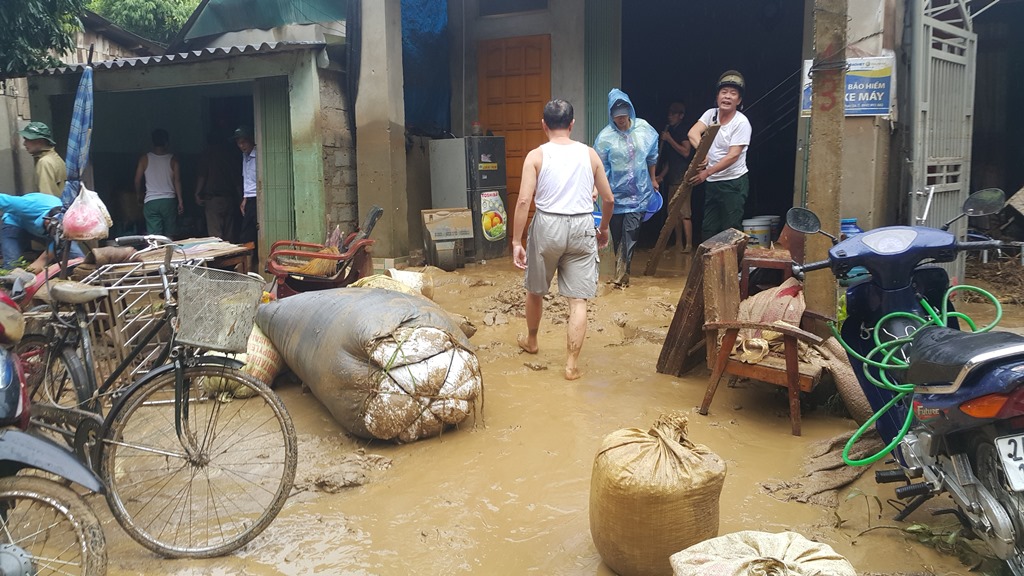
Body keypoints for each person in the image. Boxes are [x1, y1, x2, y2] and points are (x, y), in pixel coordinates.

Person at [511, 99, 614, 381]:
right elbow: (608, 198)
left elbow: (523, 201)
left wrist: (516, 241)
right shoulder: (590, 155)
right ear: (572, 124)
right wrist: (603, 228)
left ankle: (532, 341)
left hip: (547, 225)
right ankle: (571, 365)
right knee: (578, 301)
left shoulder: (536, 156)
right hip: (582, 225)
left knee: (535, 290)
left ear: (543, 125)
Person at [593, 89, 659, 287]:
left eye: (623, 116)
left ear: (630, 111)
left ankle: (622, 279)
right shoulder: (605, 138)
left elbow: (652, 156)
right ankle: (620, 271)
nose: (621, 120)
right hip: (614, 197)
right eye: (617, 117)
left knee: (630, 235)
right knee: (617, 236)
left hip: (639, 195)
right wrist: (596, 190)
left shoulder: (644, 129)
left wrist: (653, 179)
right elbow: (600, 168)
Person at [688, 70, 752, 241]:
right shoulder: (711, 114)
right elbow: (693, 133)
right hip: (713, 183)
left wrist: (707, 172)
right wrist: (703, 153)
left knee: (730, 230)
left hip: (733, 183)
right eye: (724, 92)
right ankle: (710, 267)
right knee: (708, 229)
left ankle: (733, 268)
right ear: (717, 96)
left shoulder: (741, 122)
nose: (727, 97)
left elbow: (733, 156)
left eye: (733, 93)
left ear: (739, 100)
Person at [0, 192, 83, 272]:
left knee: (79, 261)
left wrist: (30, 273)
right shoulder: (28, 206)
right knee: (12, 264)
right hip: (16, 224)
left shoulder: (64, 229)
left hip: (44, 231)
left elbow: (43, 260)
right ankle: (8, 282)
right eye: (55, 231)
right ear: (47, 221)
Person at [655, 101, 694, 253]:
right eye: (669, 114)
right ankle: (678, 243)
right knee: (673, 214)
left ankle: (689, 245)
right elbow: (670, 163)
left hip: (683, 178)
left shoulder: (683, 131)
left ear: (681, 116)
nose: (670, 117)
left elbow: (686, 152)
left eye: (673, 114)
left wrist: (669, 139)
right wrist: (660, 176)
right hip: (672, 178)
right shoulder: (671, 130)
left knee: (684, 213)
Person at [134, 129, 183, 237]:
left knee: (155, 237)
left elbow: (137, 180)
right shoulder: (173, 159)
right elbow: (177, 181)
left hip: (151, 202)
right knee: (170, 235)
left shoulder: (144, 159)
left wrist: (139, 195)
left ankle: (157, 253)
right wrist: (180, 201)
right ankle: (170, 253)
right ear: (166, 142)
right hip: (169, 201)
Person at [195, 131, 240, 241]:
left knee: (215, 234)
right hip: (229, 198)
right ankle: (230, 255)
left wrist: (197, 193)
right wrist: (241, 197)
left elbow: (202, 176)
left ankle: (221, 257)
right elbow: (237, 179)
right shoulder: (229, 156)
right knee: (229, 232)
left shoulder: (207, 155)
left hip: (213, 199)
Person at [19, 122, 66, 197]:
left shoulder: (45, 162)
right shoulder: (54, 158)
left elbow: (46, 198)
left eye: (27, 140)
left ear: (40, 141)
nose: (24, 144)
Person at [233, 126, 258, 245]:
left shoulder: (259, 155)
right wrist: (245, 198)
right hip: (249, 198)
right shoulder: (244, 156)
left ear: (251, 140)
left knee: (249, 232)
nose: (241, 146)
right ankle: (249, 261)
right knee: (248, 232)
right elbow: (247, 179)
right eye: (239, 143)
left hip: (258, 197)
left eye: (243, 142)